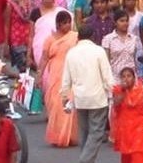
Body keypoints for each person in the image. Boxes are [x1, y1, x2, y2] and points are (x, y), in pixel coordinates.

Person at [62, 25, 114, 163]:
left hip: (80, 99)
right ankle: (84, 161)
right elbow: (107, 76)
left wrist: (64, 97)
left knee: (85, 134)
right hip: (98, 98)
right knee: (96, 134)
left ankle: (86, 159)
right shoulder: (99, 51)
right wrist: (113, 92)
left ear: (78, 37)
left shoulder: (71, 53)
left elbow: (66, 79)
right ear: (92, 37)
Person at [41, 9, 78, 147]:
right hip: (55, 73)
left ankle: (68, 136)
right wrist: (39, 76)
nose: (67, 26)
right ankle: (57, 136)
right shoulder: (50, 39)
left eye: (69, 22)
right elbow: (44, 58)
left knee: (68, 102)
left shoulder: (75, 36)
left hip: (70, 71)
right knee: (55, 103)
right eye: (64, 23)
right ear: (57, 24)